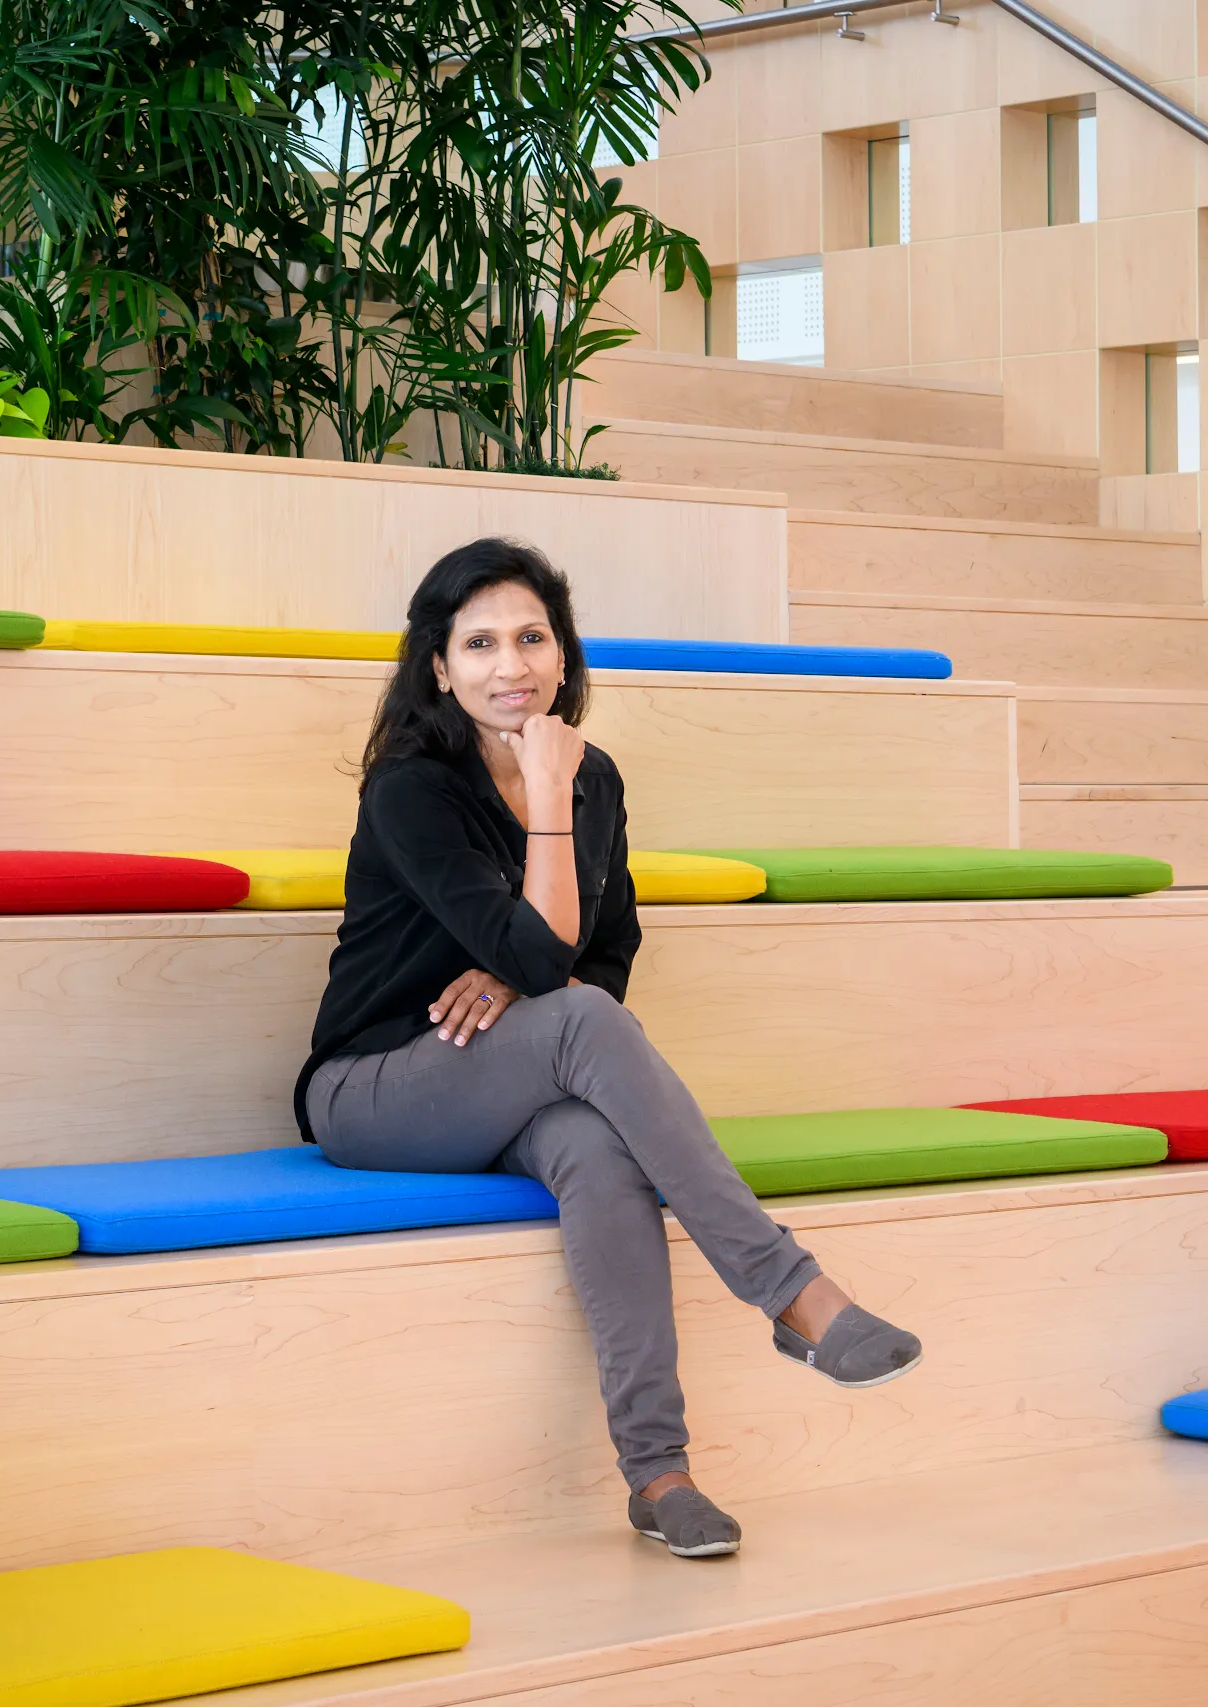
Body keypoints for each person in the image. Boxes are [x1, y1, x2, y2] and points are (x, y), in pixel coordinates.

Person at [297, 536, 923, 1560]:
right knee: (580, 1018)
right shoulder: (411, 789)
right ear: (439, 668)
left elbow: (609, 947)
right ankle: (793, 1292)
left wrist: (520, 975)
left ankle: (657, 1474)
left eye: (533, 637)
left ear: (564, 650)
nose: (513, 666)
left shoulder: (599, 779)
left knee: (594, 1146)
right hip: (375, 1088)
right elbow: (557, 964)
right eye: (482, 643)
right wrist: (544, 810)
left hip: (501, 1078)